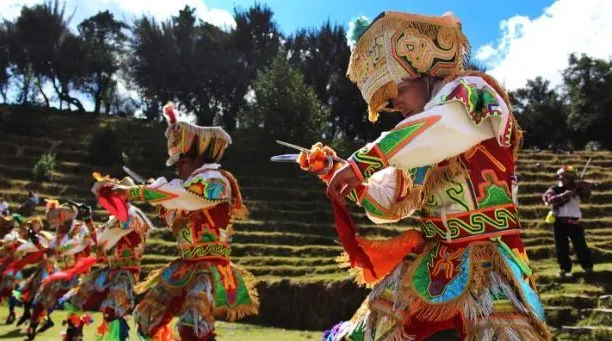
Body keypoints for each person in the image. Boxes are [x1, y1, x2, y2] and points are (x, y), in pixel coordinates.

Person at [297, 11, 549, 340]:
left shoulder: (470, 92)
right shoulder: (414, 139)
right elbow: (390, 205)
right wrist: (347, 174)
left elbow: (441, 130)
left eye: (396, 90)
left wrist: (364, 160)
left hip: (489, 261)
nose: (393, 103)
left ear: (424, 71)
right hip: (432, 264)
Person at [107, 103, 259, 341]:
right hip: (184, 265)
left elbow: (186, 196)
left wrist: (140, 192)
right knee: (146, 318)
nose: (178, 169)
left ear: (198, 158)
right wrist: (157, 199)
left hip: (209, 267)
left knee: (192, 325)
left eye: (182, 163)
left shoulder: (216, 180)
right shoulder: (184, 189)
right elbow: (177, 212)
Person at [59, 177, 153, 341]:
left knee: (112, 311)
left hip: (126, 272)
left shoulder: (131, 215)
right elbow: (97, 240)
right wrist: (88, 220)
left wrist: (87, 237)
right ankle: (74, 337)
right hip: (110, 270)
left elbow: (101, 241)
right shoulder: (116, 217)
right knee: (79, 301)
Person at [26, 200, 93, 340]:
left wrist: (56, 251)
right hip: (62, 272)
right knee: (41, 297)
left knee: (74, 305)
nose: (56, 217)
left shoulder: (80, 228)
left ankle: (75, 335)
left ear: (70, 214)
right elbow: (48, 253)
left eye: (60, 214)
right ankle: (33, 326)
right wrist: (37, 242)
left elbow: (75, 243)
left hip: (78, 273)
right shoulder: (59, 233)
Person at [542, 166, 596, 279]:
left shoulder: (578, 189)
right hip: (559, 222)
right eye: (561, 176)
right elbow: (548, 200)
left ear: (571, 178)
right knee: (561, 247)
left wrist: (586, 188)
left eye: (566, 176)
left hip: (575, 222)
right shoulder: (554, 189)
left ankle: (588, 268)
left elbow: (587, 197)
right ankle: (565, 270)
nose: (562, 178)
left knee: (581, 246)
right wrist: (566, 195)